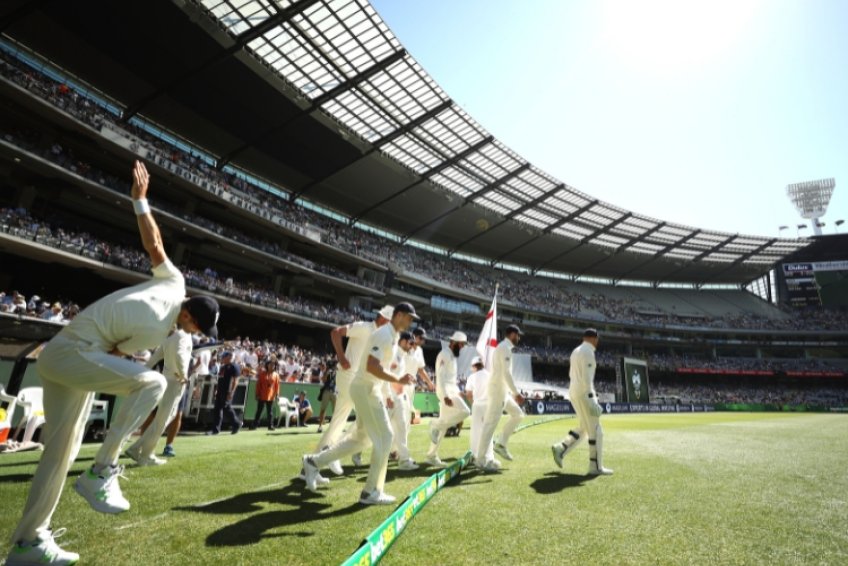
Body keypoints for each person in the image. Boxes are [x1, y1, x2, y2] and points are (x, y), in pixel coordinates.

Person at [5, 161, 220, 566]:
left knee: (61, 455)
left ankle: (27, 544)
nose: (192, 333)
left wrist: (141, 201)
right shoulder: (165, 314)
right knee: (153, 385)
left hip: (67, 356)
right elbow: (152, 246)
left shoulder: (173, 285)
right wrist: (139, 202)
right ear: (190, 316)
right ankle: (101, 470)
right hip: (73, 354)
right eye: (195, 327)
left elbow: (155, 246)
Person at [302, 303, 418, 505]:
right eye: (408, 317)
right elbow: (372, 367)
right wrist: (397, 380)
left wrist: (386, 390)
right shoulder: (383, 335)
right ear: (398, 316)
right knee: (386, 435)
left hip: (369, 389)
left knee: (362, 440)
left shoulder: (393, 336)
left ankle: (313, 462)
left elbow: (377, 367)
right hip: (365, 388)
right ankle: (370, 491)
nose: (410, 322)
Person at [311, 305, 393, 477]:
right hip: (349, 377)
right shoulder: (363, 327)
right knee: (349, 420)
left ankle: (320, 459)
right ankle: (320, 459)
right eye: (390, 322)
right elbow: (335, 332)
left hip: (357, 380)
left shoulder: (378, 336)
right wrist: (341, 357)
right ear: (384, 319)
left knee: (350, 421)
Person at [126, 327, 194, 466]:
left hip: (168, 379)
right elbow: (180, 354)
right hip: (175, 381)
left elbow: (156, 356)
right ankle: (144, 453)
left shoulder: (171, 337)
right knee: (163, 419)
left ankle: (140, 449)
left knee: (164, 418)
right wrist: (183, 375)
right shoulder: (183, 336)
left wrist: (144, 368)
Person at [551, 329, 613, 475]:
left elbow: (571, 374)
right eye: (597, 339)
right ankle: (595, 467)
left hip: (573, 390)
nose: (598, 342)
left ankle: (561, 447)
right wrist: (592, 399)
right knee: (596, 430)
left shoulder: (576, 351)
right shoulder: (588, 352)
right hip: (584, 393)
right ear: (594, 338)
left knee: (584, 427)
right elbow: (587, 379)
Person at [475, 325, 525, 472]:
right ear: (512, 334)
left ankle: (501, 444)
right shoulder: (504, 348)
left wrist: (511, 392)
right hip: (498, 390)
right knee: (490, 425)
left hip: (502, 391)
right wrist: (516, 393)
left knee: (518, 415)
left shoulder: (504, 348)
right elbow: (506, 373)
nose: (519, 338)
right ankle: (480, 460)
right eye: (518, 335)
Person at [425, 331, 471, 467]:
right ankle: (435, 424)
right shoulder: (444, 354)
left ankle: (431, 456)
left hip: (452, 391)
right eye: (461, 345)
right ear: (454, 342)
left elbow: (451, 380)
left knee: (443, 426)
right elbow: (441, 377)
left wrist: (459, 392)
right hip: (446, 393)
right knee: (466, 411)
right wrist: (445, 396)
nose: (462, 347)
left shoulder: (452, 356)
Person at [387, 331, 418, 470]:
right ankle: (355, 453)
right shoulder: (393, 352)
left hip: (398, 398)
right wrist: (388, 394)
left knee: (402, 428)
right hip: (388, 398)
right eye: (410, 343)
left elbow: (398, 375)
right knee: (366, 431)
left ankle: (404, 460)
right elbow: (386, 375)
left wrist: (408, 377)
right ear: (403, 341)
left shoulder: (402, 356)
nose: (412, 346)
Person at [465, 356, 491, 467]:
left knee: (476, 431)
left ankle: (475, 456)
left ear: (475, 366)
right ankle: (488, 456)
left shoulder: (472, 377)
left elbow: (469, 394)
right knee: (488, 431)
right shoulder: (490, 375)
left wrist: (473, 403)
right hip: (488, 405)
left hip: (477, 405)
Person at [207, 352, 242, 435]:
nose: (222, 358)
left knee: (227, 408)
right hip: (220, 390)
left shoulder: (234, 366)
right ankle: (215, 429)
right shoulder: (223, 367)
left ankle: (236, 423)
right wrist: (216, 389)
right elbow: (220, 379)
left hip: (227, 391)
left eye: (224, 357)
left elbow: (235, 380)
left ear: (229, 357)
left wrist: (231, 392)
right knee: (217, 409)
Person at [251, 359, 280, 430]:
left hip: (271, 396)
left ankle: (270, 426)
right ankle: (255, 425)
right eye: (270, 364)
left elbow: (277, 386)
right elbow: (258, 385)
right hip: (262, 395)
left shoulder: (276, 375)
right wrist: (257, 394)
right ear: (267, 365)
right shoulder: (262, 373)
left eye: (273, 365)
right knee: (259, 411)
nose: (272, 366)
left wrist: (277, 395)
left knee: (270, 412)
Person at [316, 361, 338, 433]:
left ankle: (335, 427)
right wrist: (327, 372)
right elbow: (323, 379)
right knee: (323, 410)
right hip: (327, 391)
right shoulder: (327, 371)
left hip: (334, 392)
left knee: (335, 411)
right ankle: (320, 426)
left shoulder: (337, 371)